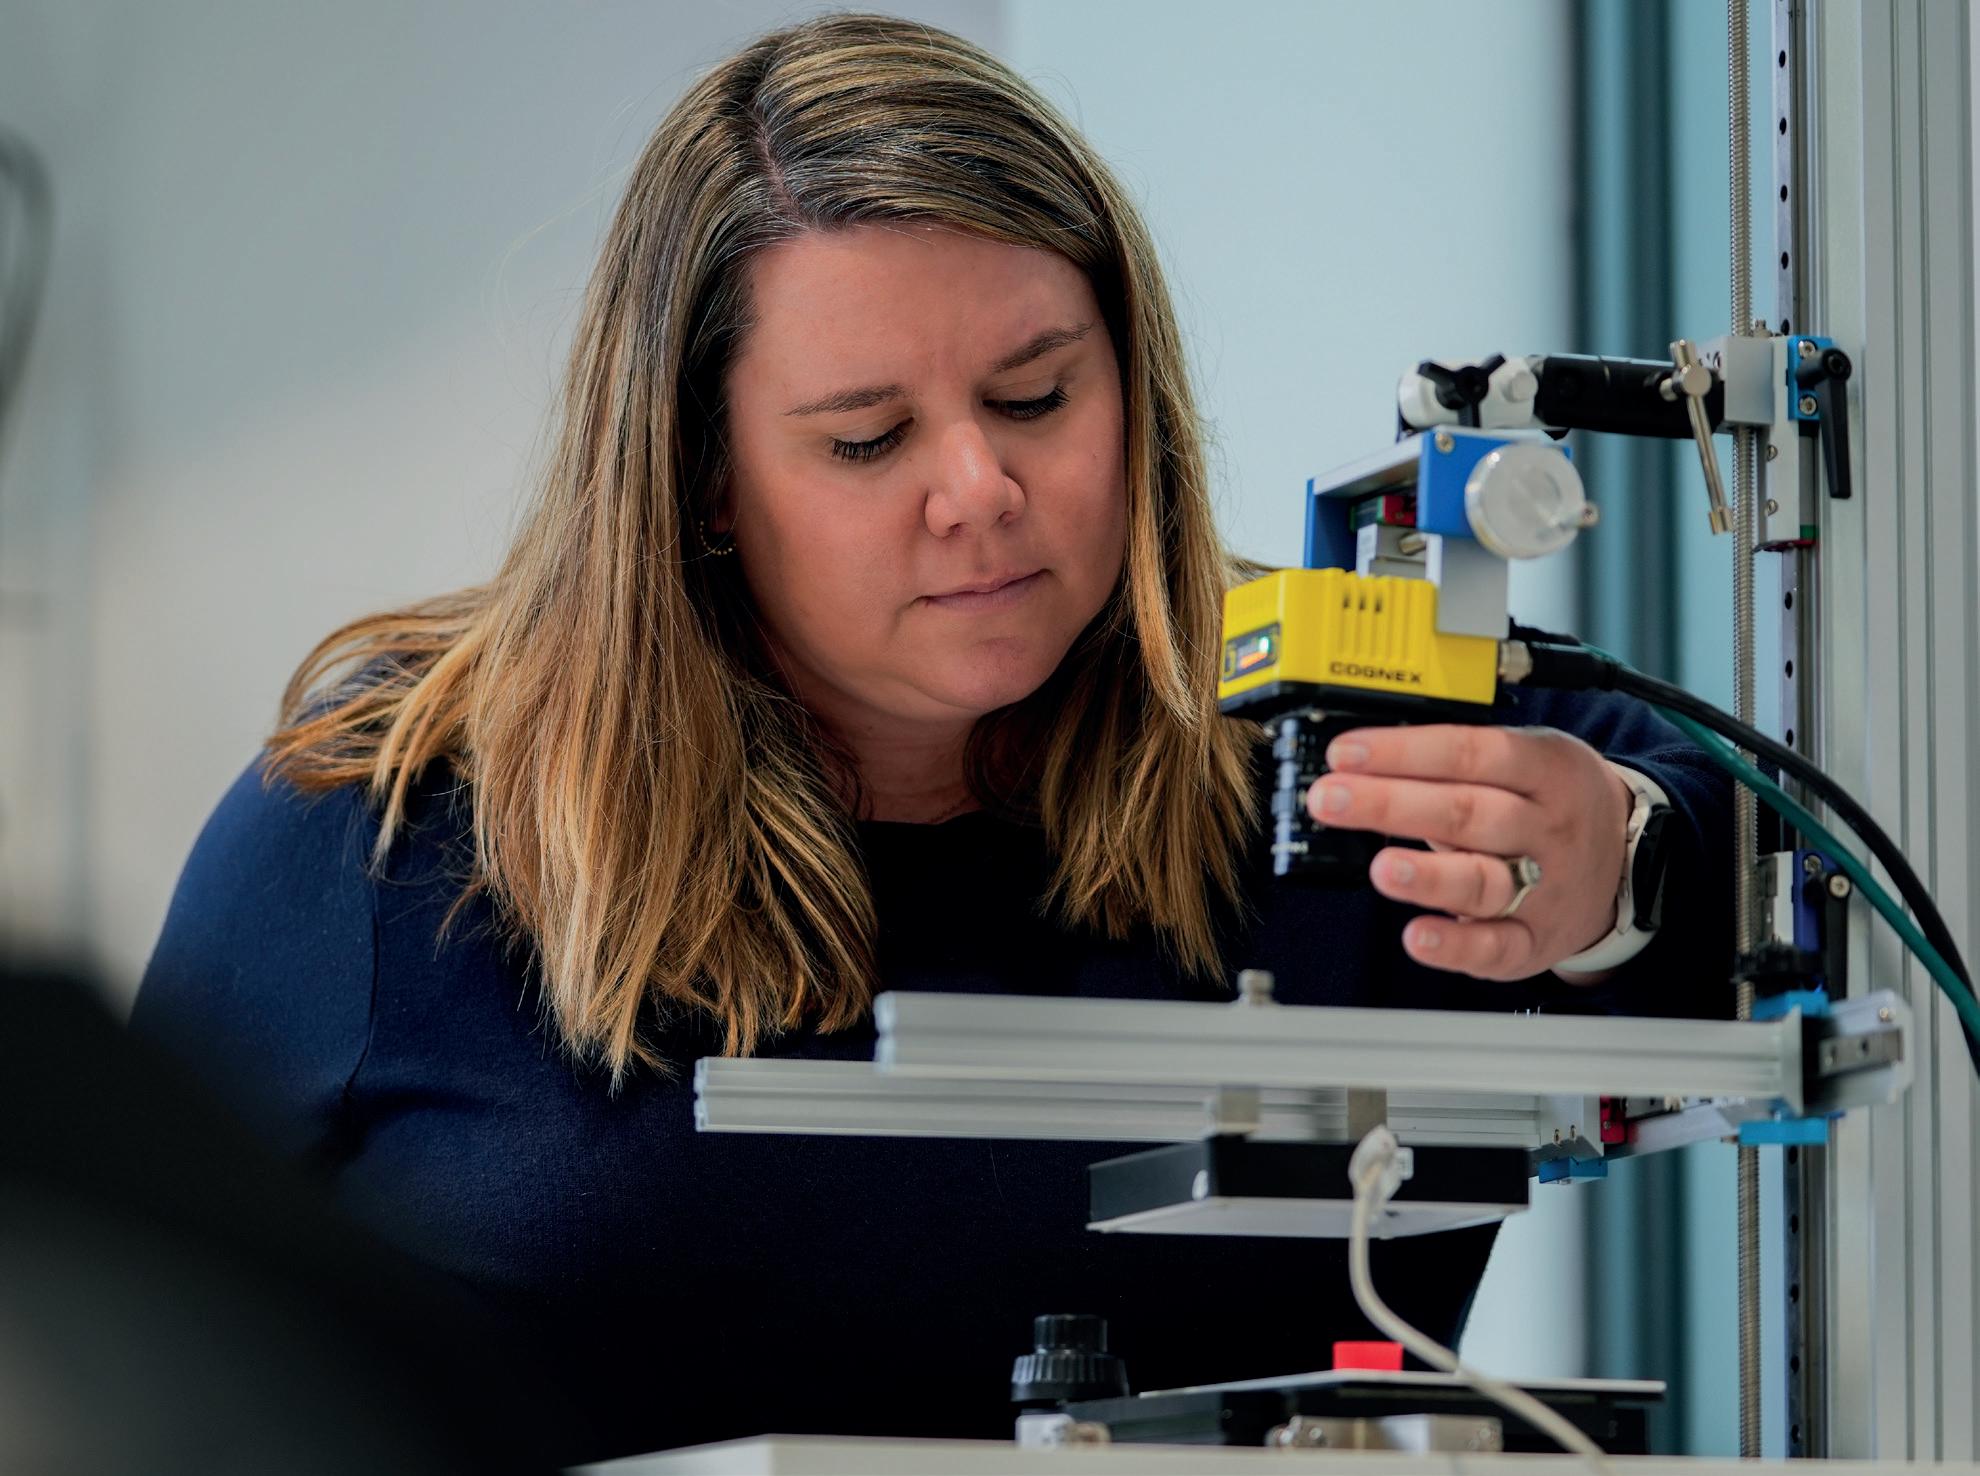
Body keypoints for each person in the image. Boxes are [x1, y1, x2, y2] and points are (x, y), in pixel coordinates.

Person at [133, 11, 1732, 1465]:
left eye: (1037, 398)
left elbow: (1789, 876)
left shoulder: (1332, 738)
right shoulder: (383, 836)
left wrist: (1624, 870)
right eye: (867, 438)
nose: (979, 490)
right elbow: (100, 1331)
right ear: (699, 477)